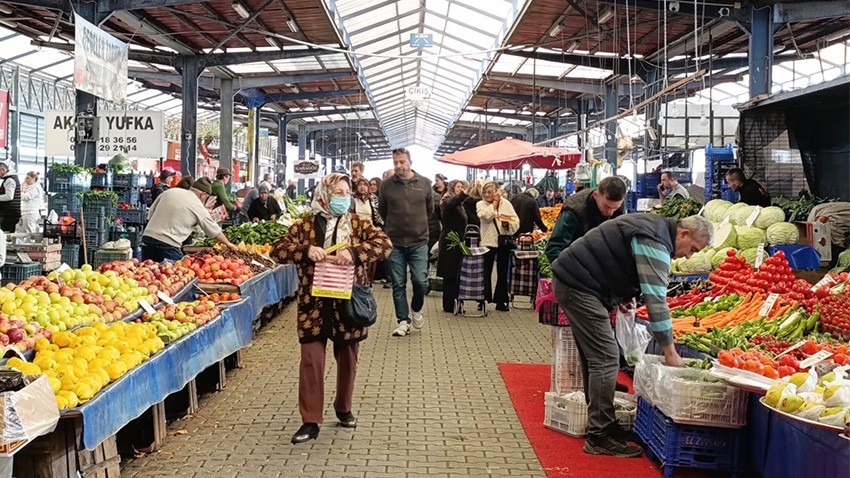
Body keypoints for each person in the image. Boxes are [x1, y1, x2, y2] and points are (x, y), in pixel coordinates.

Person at [551, 214, 711, 457]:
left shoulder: (655, 229)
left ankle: (601, 424)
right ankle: (599, 435)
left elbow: (622, 259)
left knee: (595, 357)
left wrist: (623, 295)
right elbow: (657, 300)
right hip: (579, 285)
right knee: (606, 357)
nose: (688, 256)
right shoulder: (656, 240)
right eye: (692, 249)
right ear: (684, 234)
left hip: (576, 280)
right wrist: (670, 351)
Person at [270, 173, 391, 444]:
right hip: (313, 305)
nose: (343, 197)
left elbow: (384, 245)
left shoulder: (359, 223)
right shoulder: (304, 226)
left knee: (348, 357)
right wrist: (305, 251)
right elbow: (277, 250)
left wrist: (355, 253)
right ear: (324, 194)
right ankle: (311, 420)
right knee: (311, 360)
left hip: (348, 304)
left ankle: (343, 407)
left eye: (346, 192)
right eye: (337, 192)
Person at [379, 148, 433, 337]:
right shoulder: (386, 186)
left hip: (419, 242)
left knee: (420, 280)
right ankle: (403, 320)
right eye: (396, 162)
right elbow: (383, 211)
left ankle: (416, 308)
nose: (399, 166)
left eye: (402, 162)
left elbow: (430, 210)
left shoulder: (425, 183)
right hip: (395, 243)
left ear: (410, 162)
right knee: (398, 284)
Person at [142, 177, 236, 261]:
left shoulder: (170, 192)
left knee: (148, 274)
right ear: (203, 195)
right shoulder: (197, 204)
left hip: (147, 239)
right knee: (175, 276)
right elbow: (213, 230)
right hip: (169, 245)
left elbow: (150, 213)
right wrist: (228, 243)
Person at [545, 177, 627, 264]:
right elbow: (554, 248)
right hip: (575, 260)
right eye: (607, 206)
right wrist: (570, 272)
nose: (611, 212)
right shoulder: (574, 210)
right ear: (596, 195)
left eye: (615, 208)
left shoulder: (619, 206)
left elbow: (619, 240)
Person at [477, 180, 520, 311]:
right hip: (488, 241)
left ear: (496, 191)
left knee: (502, 272)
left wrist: (508, 225)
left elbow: (516, 221)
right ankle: (483, 299)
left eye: (489, 192)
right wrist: (494, 203)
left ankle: (501, 300)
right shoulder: (480, 204)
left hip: (503, 242)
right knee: (485, 271)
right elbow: (486, 216)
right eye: (484, 192)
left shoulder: (506, 204)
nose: (486, 194)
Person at [437, 180, 469, 312]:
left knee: (456, 273)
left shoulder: (460, 205)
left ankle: (456, 302)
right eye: (458, 187)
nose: (460, 189)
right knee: (449, 274)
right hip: (450, 241)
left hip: (458, 241)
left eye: (462, 187)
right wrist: (465, 193)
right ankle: (448, 305)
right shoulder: (448, 201)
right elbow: (452, 203)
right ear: (452, 188)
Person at [0, 162, 20, 233]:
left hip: (9, 213)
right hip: (10, 212)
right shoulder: (10, 179)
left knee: (5, 234)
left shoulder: (9, 180)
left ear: (3, 170)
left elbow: (9, 196)